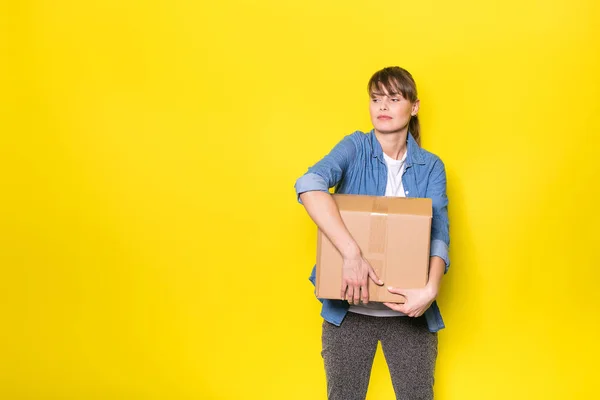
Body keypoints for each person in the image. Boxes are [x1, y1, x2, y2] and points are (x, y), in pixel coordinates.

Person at [294, 66, 450, 400]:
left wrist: (431, 290)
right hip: (349, 312)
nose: (382, 106)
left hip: (408, 312)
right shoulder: (354, 147)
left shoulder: (431, 166)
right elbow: (309, 184)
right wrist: (351, 254)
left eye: (393, 99)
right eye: (376, 98)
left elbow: (439, 234)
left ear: (414, 106)